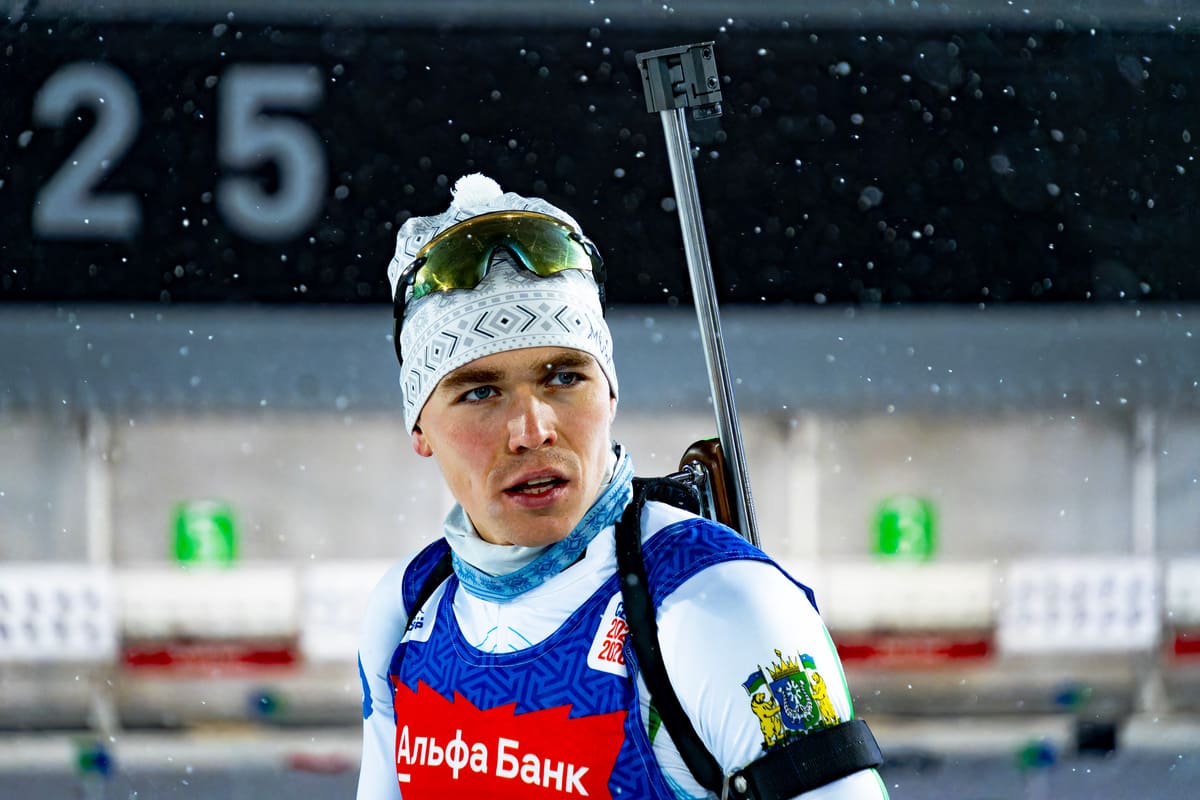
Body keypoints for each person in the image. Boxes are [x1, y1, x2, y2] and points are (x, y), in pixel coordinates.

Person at [356, 173, 888, 799]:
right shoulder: (409, 608)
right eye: (480, 392)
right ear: (420, 428)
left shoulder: (717, 606)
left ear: (609, 392)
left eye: (563, 378)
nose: (532, 430)